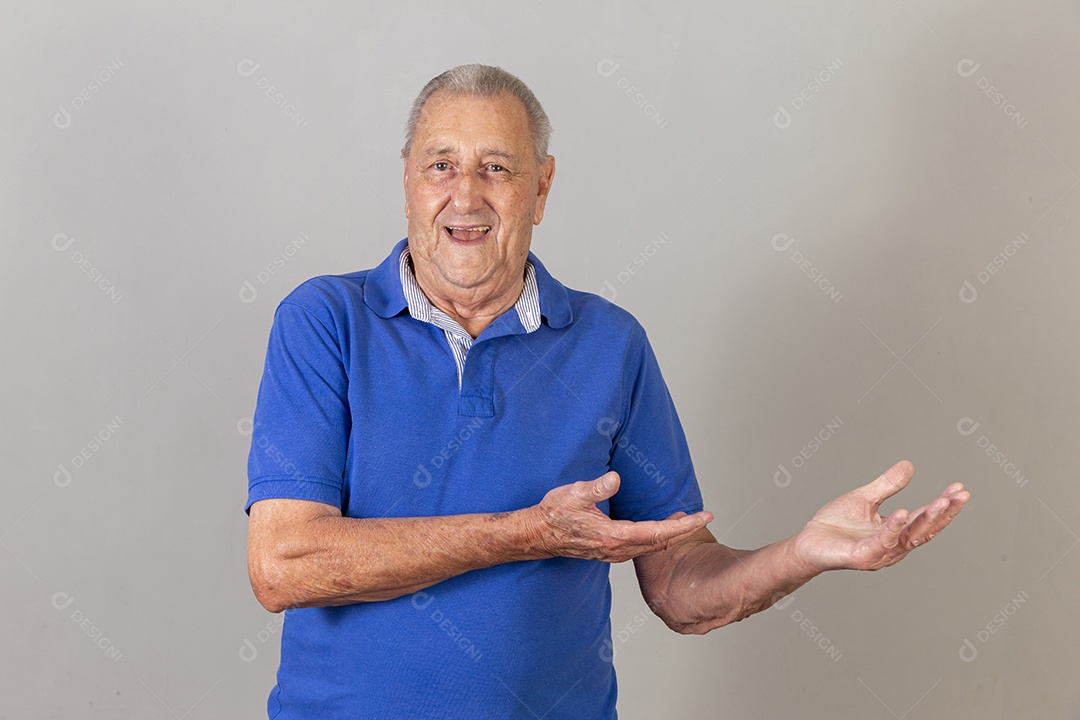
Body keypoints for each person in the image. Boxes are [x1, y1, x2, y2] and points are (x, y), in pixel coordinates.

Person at [245, 63, 969, 719]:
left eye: (497, 167)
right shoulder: (323, 322)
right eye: (441, 165)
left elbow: (681, 584)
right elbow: (283, 564)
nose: (465, 194)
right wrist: (527, 532)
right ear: (407, 177)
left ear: (542, 186)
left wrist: (804, 554)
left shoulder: (609, 343)